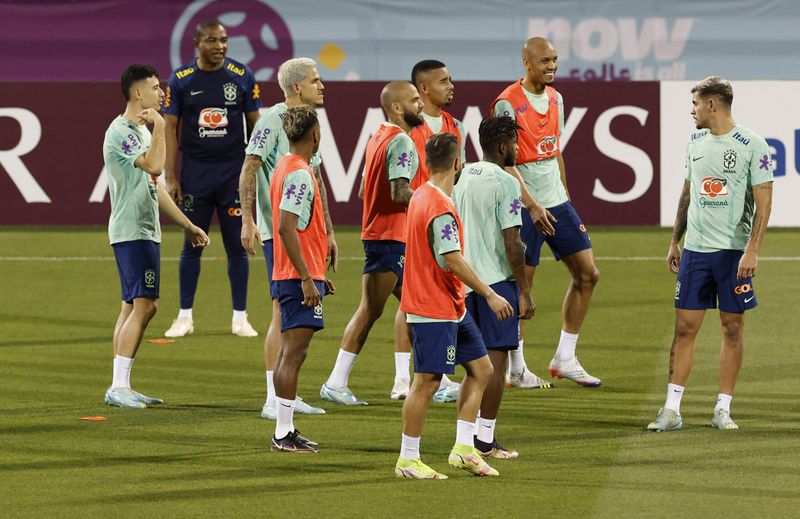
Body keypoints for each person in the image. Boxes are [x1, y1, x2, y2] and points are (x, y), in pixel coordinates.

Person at [647, 76, 773, 432]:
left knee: (732, 328)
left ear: (713, 104)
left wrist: (753, 250)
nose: (692, 111)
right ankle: (672, 409)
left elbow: (764, 203)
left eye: (696, 104)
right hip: (696, 253)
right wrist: (675, 240)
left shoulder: (753, 144)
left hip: (733, 254)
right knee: (684, 328)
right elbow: (687, 193)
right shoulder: (695, 141)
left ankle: (722, 408)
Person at [395, 133, 513, 479]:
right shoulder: (440, 206)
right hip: (432, 307)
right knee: (427, 382)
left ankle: (463, 449)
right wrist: (490, 294)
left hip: (450, 305)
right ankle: (408, 459)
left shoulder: (421, 195)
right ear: (458, 162)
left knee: (482, 369)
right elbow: (452, 259)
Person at [320, 81, 443, 405]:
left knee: (421, 308)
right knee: (378, 310)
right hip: (391, 238)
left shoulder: (378, 135)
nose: (421, 105)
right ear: (398, 107)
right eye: (416, 101)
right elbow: (399, 190)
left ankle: (436, 380)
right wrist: (431, 204)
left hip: (384, 236)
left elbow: (364, 190)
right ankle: (336, 381)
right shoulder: (401, 141)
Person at [490, 37, 601, 388]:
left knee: (588, 274)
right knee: (522, 289)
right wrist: (532, 205)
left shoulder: (557, 99)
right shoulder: (507, 103)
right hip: (522, 207)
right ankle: (518, 369)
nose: (551, 66)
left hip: (555, 203)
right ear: (526, 62)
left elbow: (555, 152)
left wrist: (564, 196)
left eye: (555, 60)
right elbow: (503, 162)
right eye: (545, 61)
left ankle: (565, 357)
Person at [103, 64, 209, 408]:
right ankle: (119, 387)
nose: (161, 92)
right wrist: (161, 126)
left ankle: (121, 385)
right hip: (133, 229)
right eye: (154, 87)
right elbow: (155, 167)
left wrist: (187, 224)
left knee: (131, 306)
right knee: (147, 306)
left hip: (141, 228)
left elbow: (155, 186)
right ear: (138, 93)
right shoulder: (122, 131)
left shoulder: (140, 133)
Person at [239, 58, 334, 420]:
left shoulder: (307, 125)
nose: (322, 85)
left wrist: (327, 231)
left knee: (292, 316)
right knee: (282, 312)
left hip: (304, 233)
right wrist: (248, 220)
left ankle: (285, 398)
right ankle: (272, 397)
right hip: (279, 231)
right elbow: (249, 167)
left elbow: (318, 178)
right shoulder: (270, 120)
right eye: (315, 80)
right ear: (297, 87)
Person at [161, 19, 261, 338]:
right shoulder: (180, 80)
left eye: (224, 40)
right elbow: (169, 128)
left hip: (233, 173)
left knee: (237, 246)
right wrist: (171, 176)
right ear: (197, 43)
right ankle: (184, 316)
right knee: (192, 245)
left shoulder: (242, 76)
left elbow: (256, 128)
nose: (219, 46)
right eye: (212, 41)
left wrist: (252, 173)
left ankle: (240, 317)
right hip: (195, 174)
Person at [453, 116, 535, 459]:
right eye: (515, 143)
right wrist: (524, 290)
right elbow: (512, 241)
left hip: (461, 282)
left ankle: (465, 439)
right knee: (495, 367)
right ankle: (484, 439)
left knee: (473, 369)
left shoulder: (461, 176)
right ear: (503, 146)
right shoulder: (506, 183)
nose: (518, 149)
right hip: (495, 285)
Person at [269, 106, 335, 453]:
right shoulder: (299, 174)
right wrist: (308, 278)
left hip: (296, 273)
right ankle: (283, 432)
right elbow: (285, 226)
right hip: (296, 277)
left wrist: (318, 275)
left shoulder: (285, 166)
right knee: (294, 355)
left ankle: (286, 428)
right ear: (315, 136)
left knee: (289, 354)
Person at [409, 59, 466, 189]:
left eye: (450, 80)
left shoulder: (457, 126)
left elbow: (458, 176)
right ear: (424, 88)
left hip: (445, 207)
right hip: (415, 208)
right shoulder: (407, 127)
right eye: (443, 81)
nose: (451, 86)